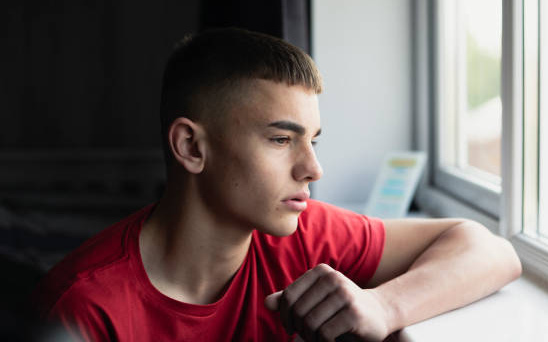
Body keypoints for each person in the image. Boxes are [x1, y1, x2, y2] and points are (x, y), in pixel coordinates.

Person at [31, 28, 522, 341]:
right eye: (281, 139)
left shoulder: (301, 237)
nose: (313, 168)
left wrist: (383, 305)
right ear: (191, 148)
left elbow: (491, 251)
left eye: (313, 140)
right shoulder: (84, 308)